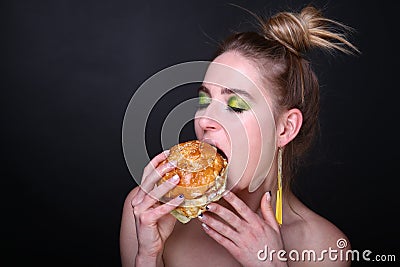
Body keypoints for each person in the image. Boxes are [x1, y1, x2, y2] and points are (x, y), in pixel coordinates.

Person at [120, 4, 359, 267]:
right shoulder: (146, 214)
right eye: (204, 100)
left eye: (235, 106)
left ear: (285, 128)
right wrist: (147, 257)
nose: (203, 120)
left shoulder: (324, 247)